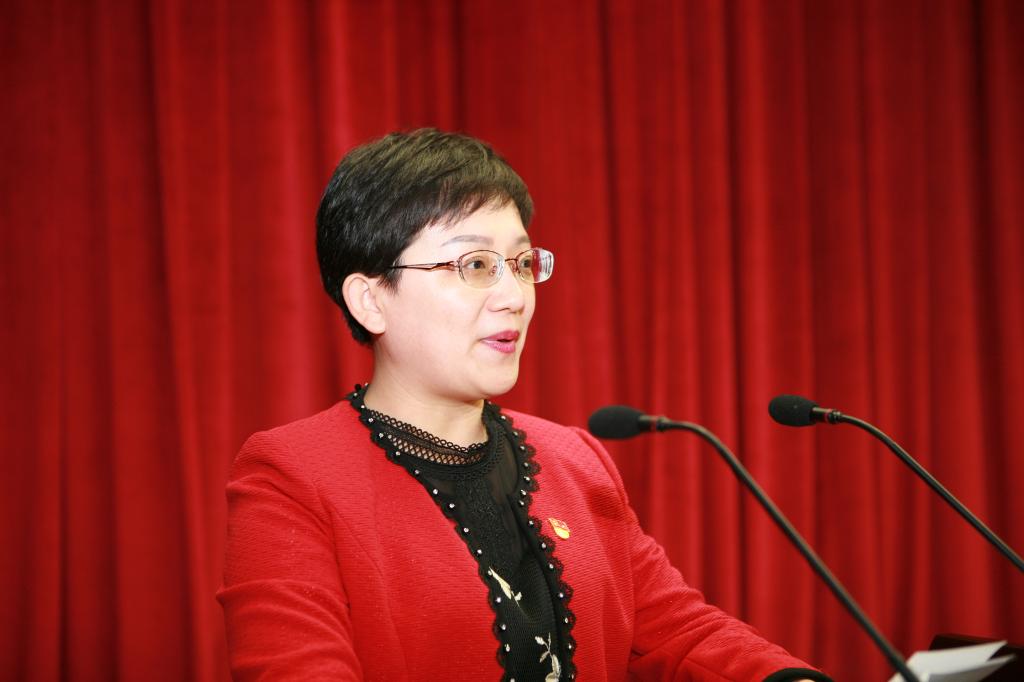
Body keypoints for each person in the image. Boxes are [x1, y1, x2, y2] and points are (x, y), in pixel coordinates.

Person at [217, 129, 832, 681]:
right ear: (370, 300)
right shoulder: (291, 476)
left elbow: (678, 631)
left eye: (519, 263)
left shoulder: (574, 459)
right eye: (475, 264)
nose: (514, 294)